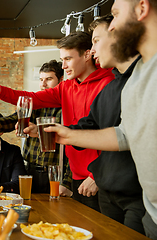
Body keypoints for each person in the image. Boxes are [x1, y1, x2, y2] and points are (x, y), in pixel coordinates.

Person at [39, 1, 157, 237]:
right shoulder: (134, 79)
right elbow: (125, 134)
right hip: (149, 211)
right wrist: (65, 134)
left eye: (115, 15)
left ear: (142, 8)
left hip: (133, 198)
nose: (112, 27)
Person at [0, 31, 115, 212]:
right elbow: (30, 98)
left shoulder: (108, 83)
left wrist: (96, 175)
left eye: (68, 59)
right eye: (62, 59)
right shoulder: (66, 87)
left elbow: (116, 134)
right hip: (76, 176)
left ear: (87, 55)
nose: (64, 65)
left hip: (98, 177)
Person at [0, 60, 72, 196]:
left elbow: (73, 147)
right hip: (30, 171)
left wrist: (66, 182)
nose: (43, 84)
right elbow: (12, 120)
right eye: (41, 79)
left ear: (61, 80)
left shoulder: (67, 108)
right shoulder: (34, 103)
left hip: (55, 173)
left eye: (49, 79)